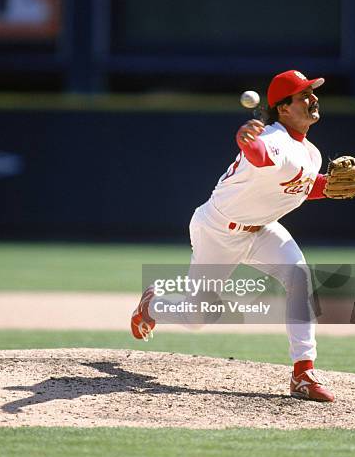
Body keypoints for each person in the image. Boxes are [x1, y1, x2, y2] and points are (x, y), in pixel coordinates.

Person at [132, 70, 337, 402]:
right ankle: (152, 306)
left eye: (313, 93)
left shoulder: (311, 153)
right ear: (283, 108)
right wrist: (247, 140)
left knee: (300, 277)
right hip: (217, 230)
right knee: (197, 318)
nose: (313, 99)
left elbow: (301, 185)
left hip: (263, 229)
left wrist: (329, 188)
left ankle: (303, 373)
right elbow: (261, 155)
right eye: (304, 95)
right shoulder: (272, 140)